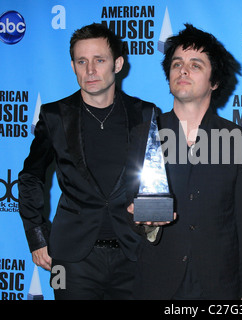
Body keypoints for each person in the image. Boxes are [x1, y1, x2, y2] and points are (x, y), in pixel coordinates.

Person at [18, 23, 156, 299]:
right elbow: (30, 176)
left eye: (99, 60)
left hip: (134, 253)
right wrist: (37, 236)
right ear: (72, 66)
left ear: (117, 64)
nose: (90, 70)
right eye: (82, 61)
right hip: (71, 259)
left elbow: (157, 177)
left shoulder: (145, 113)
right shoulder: (54, 116)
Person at [128, 24, 242, 300]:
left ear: (215, 82)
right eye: (177, 64)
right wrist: (142, 223)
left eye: (196, 65)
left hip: (220, 286)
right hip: (156, 284)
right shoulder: (143, 135)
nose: (183, 70)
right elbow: (124, 209)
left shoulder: (240, 140)